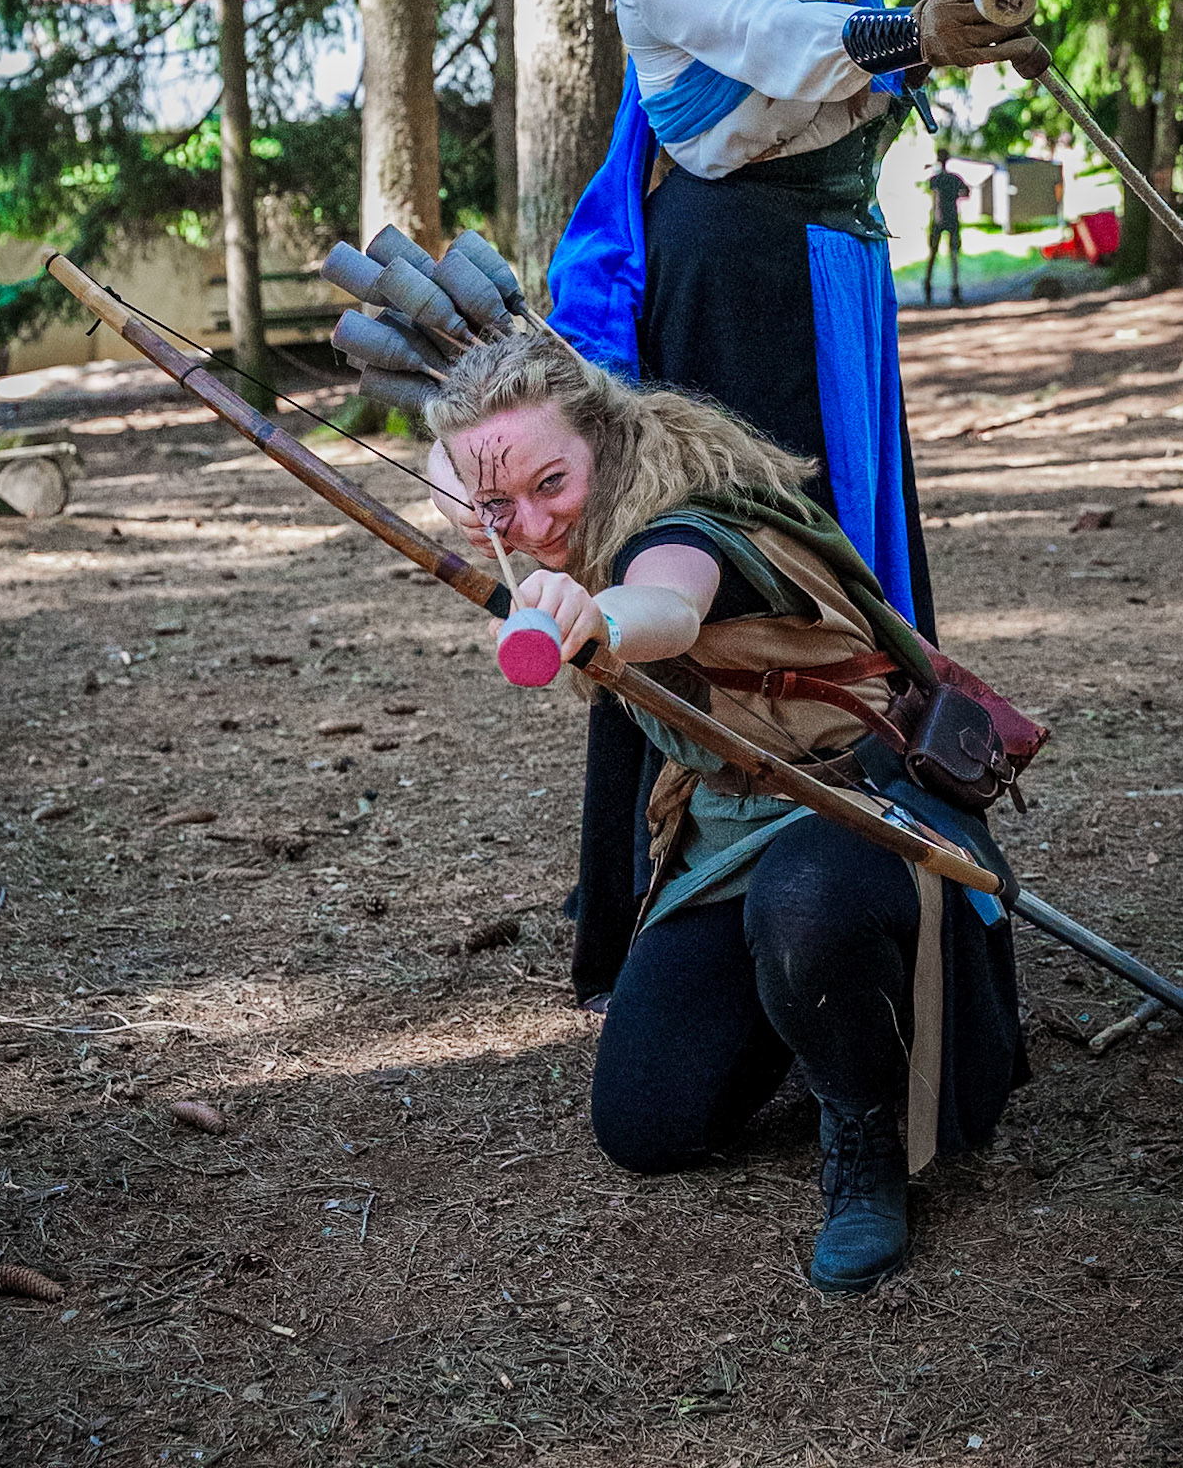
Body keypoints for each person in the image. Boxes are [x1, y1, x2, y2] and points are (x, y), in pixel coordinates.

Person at [546, 0, 1044, 998]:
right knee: (741, 558)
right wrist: (924, 31)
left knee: (854, 552)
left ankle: (879, 855)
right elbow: (781, 39)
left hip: (830, 266)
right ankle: (693, 902)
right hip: (731, 286)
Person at [428, 333, 1029, 1297]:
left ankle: (864, 1134)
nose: (531, 525)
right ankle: (813, 999)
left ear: (604, 439)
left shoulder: (685, 525)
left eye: (552, 484)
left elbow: (668, 602)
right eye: (498, 506)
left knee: (806, 899)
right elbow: (477, 474)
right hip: (732, 823)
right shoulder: (578, 492)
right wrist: (468, 487)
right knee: (649, 1126)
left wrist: (599, 620)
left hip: (864, 807)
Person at [923, 146, 968, 306]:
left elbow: (935, 198)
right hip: (952, 218)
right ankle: (955, 288)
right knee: (953, 254)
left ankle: (928, 287)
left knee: (933, 254)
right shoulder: (955, 179)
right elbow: (966, 192)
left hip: (939, 219)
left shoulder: (935, 179)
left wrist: (937, 217)